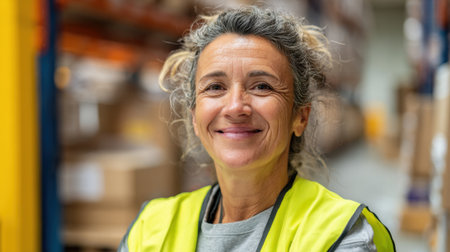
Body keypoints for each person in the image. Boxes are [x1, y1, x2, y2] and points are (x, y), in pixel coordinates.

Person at [118, 7, 395, 252]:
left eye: (262, 86)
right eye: (215, 87)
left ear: (300, 117)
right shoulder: (151, 229)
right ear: (194, 117)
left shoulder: (339, 236)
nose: (236, 106)